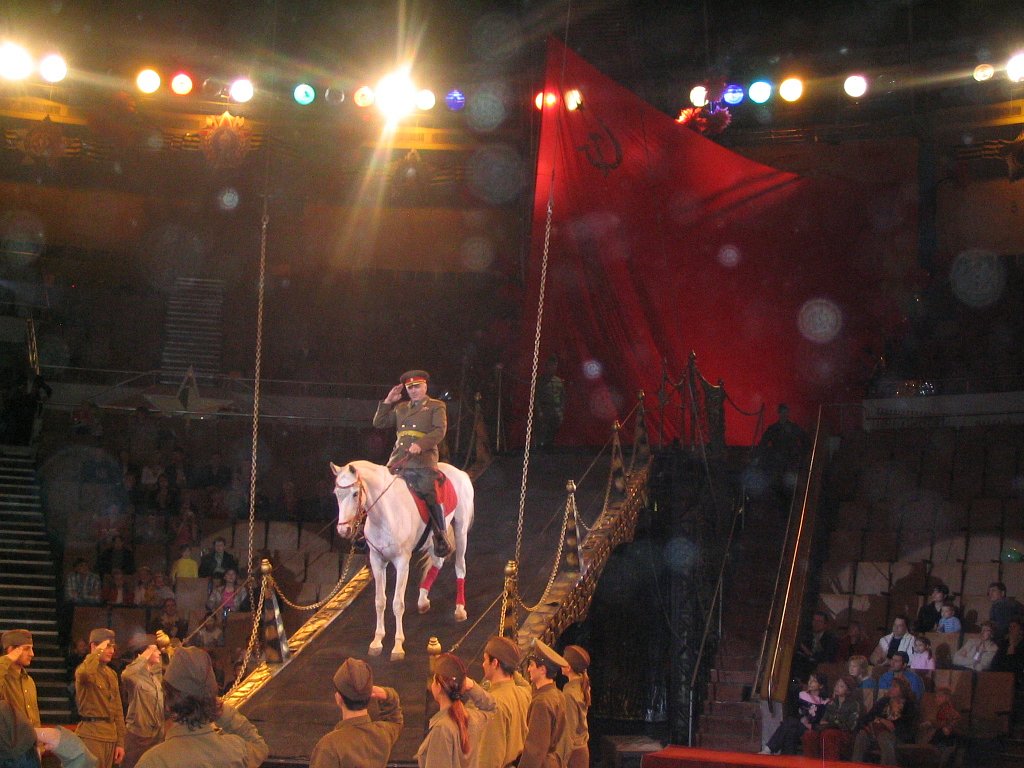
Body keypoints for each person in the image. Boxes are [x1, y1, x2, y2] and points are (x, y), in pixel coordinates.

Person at [135, 646, 268, 768]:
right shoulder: (235, 751)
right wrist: (220, 709)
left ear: (168, 703)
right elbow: (259, 747)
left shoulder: (153, 761)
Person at [372, 369, 451, 557]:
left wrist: (421, 445)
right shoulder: (401, 408)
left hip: (422, 461)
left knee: (428, 490)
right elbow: (379, 423)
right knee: (377, 491)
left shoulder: (435, 406)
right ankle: (372, 535)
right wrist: (388, 402)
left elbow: (440, 431)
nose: (414, 390)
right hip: (399, 461)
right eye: (410, 388)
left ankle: (441, 535)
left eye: (417, 386)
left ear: (425, 386)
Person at [309, 657, 403, 768]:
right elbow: (395, 720)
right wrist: (388, 694)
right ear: (370, 695)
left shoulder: (329, 746)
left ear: (339, 698)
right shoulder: (383, 734)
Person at [416, 652, 496, 768]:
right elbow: (491, 707)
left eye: (433, 679)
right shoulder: (472, 718)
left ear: (438, 686)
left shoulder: (442, 729)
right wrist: (472, 686)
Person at [477, 637, 531, 768]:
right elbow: (525, 685)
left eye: (485, 660)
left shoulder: (493, 704)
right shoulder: (523, 693)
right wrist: (510, 666)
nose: (483, 664)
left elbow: (489, 759)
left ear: (494, 663)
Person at [74, 630, 126, 768]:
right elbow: (85, 673)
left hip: (110, 735)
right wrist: (96, 653)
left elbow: (118, 709)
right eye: (107, 646)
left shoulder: (111, 673)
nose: (111, 650)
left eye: (112, 646)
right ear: (94, 646)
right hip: (92, 734)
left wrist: (120, 742)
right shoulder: (84, 670)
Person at [519, 640, 568, 768]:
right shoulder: (558, 694)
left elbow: (535, 749)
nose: (528, 669)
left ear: (542, 670)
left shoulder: (542, 702)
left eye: (532, 665)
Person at [851, 677, 918, 766]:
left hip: (897, 736)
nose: (891, 688)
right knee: (862, 735)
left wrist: (887, 724)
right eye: (891, 686)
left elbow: (906, 727)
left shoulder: (909, 705)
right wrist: (880, 721)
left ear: (903, 689)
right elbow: (868, 717)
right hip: (874, 733)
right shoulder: (883, 701)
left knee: (884, 736)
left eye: (894, 687)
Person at [120, 635, 164, 768]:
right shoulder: (135, 677)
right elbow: (126, 674)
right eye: (155, 650)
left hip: (156, 735)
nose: (158, 653)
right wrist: (147, 653)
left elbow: (159, 668)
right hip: (138, 735)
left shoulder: (154, 677)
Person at [761, 673, 828, 755]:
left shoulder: (824, 701)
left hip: (813, 728)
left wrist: (812, 724)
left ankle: (769, 748)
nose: (810, 682)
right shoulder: (802, 695)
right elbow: (795, 710)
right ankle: (785, 758)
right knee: (791, 728)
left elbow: (823, 720)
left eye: (814, 681)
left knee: (790, 724)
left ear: (821, 686)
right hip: (800, 725)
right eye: (810, 680)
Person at [801, 674, 862, 760]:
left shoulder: (854, 705)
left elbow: (851, 726)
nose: (837, 687)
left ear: (848, 690)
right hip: (827, 729)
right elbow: (823, 720)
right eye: (837, 685)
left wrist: (834, 723)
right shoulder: (831, 703)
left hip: (845, 734)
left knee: (829, 734)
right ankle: (811, 764)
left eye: (841, 686)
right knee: (809, 734)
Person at [559, 645, 591, 768]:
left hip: (574, 755)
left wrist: (562, 761)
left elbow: (569, 732)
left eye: (563, 660)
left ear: (569, 666)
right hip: (581, 750)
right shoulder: (582, 685)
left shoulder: (570, 693)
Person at [0, 630, 39, 728]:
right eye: (26, 649)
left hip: (28, 740)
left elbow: (34, 717)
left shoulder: (29, 680)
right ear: (11, 650)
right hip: (7, 741)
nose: (32, 654)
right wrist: (7, 659)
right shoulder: (3, 678)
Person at [922, 686, 960, 768]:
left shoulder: (949, 710)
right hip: (940, 739)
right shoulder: (940, 710)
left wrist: (949, 727)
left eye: (940, 696)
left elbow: (956, 717)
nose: (937, 699)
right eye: (936, 697)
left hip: (946, 740)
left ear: (947, 698)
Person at [794, 611, 838, 677]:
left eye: (819, 621)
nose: (816, 623)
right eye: (814, 620)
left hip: (819, 668)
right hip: (803, 666)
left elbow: (828, 657)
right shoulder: (806, 635)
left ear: (825, 624)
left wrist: (810, 654)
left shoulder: (831, 639)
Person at [534, 355, 565, 449]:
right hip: (544, 409)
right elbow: (536, 397)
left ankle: (550, 448)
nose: (553, 368)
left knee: (553, 431)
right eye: (551, 366)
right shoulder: (540, 381)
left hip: (555, 409)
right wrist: (539, 411)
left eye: (554, 366)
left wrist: (561, 410)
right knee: (542, 430)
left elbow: (563, 397)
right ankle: (540, 448)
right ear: (547, 366)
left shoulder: (558, 381)